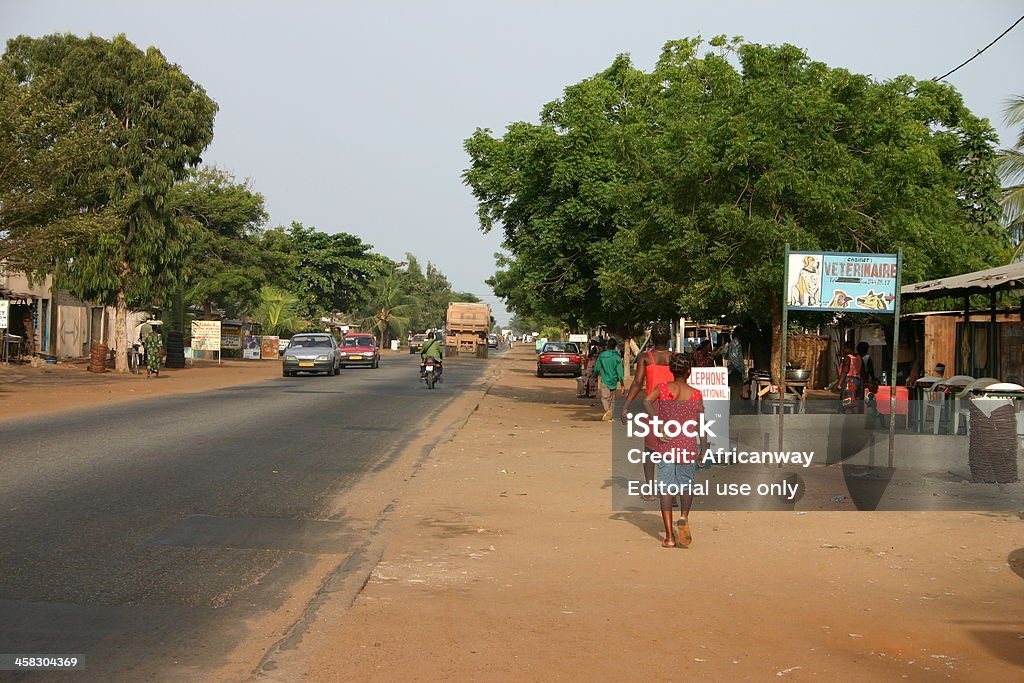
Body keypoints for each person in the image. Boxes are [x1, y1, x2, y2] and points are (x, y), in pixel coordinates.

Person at [643, 353, 706, 548]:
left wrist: (658, 423)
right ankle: (684, 517)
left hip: (666, 444)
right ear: (689, 372)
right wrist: (703, 448)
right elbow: (700, 424)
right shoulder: (695, 394)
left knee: (666, 489)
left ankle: (669, 537)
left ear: (671, 370)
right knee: (686, 485)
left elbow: (646, 402)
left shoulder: (663, 389)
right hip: (687, 445)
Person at [620, 322, 675, 499]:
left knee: (650, 451)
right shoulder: (677, 357)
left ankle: (650, 491)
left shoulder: (645, 357)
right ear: (669, 337)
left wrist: (626, 405)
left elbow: (637, 384)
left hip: (652, 407)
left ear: (651, 337)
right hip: (675, 407)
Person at [592, 337, 625, 421]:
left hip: (605, 380)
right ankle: (610, 413)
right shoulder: (617, 356)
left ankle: (608, 411)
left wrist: (594, 376)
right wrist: (622, 384)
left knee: (605, 398)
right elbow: (620, 371)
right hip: (614, 380)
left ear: (607, 346)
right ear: (615, 346)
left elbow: (597, 368)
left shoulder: (602, 355)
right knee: (612, 399)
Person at [837, 340, 863, 413]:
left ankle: (849, 413)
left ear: (848, 348)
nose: (843, 350)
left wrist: (839, 383)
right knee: (851, 397)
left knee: (849, 398)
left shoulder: (848, 358)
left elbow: (845, 371)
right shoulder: (858, 357)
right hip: (857, 380)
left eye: (844, 348)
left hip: (849, 380)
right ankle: (844, 411)